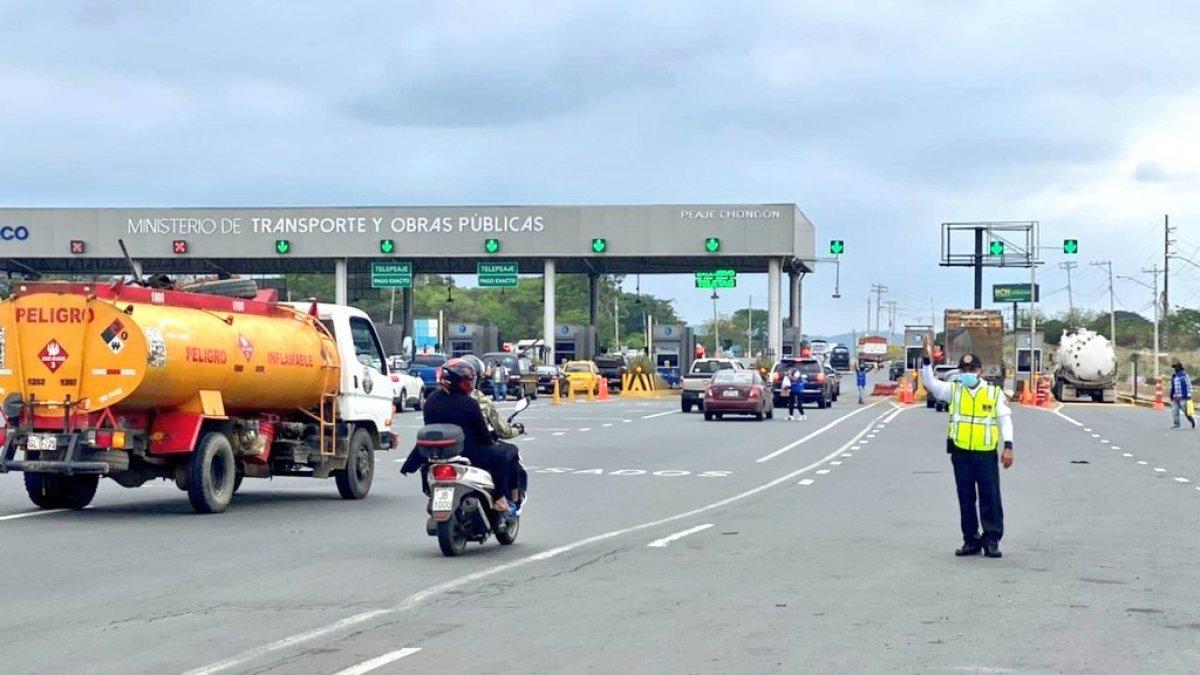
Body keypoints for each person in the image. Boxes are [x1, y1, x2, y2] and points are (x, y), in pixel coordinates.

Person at [920, 337, 1014, 559]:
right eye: (964, 369)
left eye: (972, 369)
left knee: (990, 497)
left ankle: (991, 540)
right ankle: (971, 540)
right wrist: (926, 361)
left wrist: (1008, 446)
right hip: (961, 454)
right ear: (959, 371)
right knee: (966, 498)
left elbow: (1005, 420)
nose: (968, 372)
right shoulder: (954, 390)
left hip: (985, 454)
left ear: (980, 371)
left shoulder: (993, 393)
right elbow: (930, 384)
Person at [400, 358, 521, 514]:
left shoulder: (430, 401)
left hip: (438, 452)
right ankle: (499, 499)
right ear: (461, 381)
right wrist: (491, 440)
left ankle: (432, 495)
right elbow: (483, 435)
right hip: (470, 453)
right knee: (503, 456)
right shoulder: (469, 403)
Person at [1169, 360, 1195, 429]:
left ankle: (1192, 420)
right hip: (1175, 397)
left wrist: (1189, 394)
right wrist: (1171, 396)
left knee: (1186, 412)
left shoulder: (1185, 376)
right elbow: (1172, 387)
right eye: (1174, 368)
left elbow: (1189, 386)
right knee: (1174, 411)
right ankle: (1177, 425)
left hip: (1183, 397)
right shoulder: (1174, 376)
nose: (1175, 369)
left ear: (1180, 368)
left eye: (1176, 368)